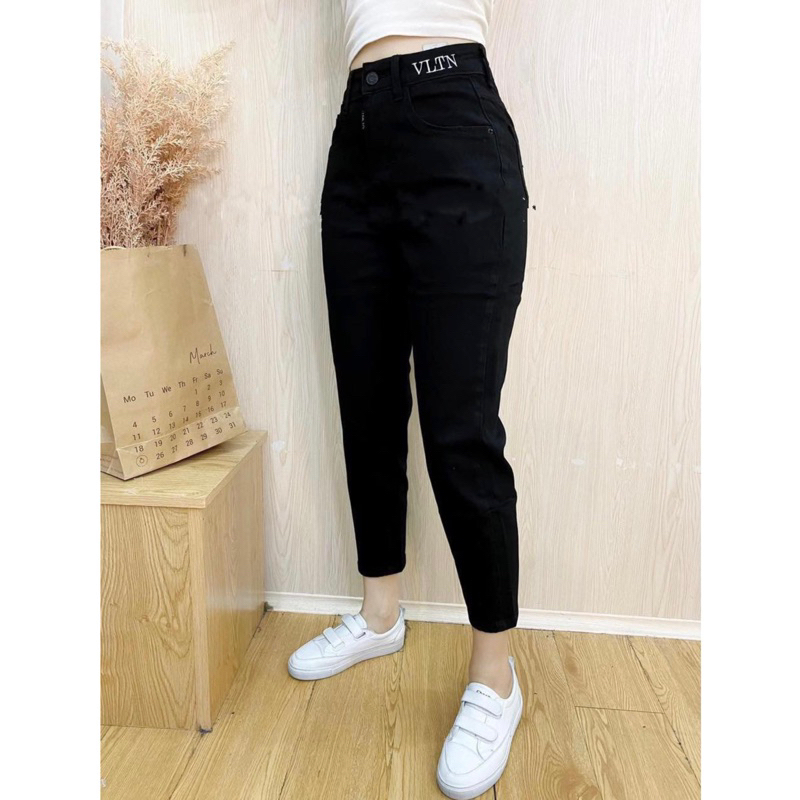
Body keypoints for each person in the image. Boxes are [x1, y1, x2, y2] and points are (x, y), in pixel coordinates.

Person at [288, 2, 528, 797]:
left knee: (461, 428)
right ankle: (381, 615)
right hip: (356, 130)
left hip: (453, 111)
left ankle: (495, 676)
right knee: (367, 399)